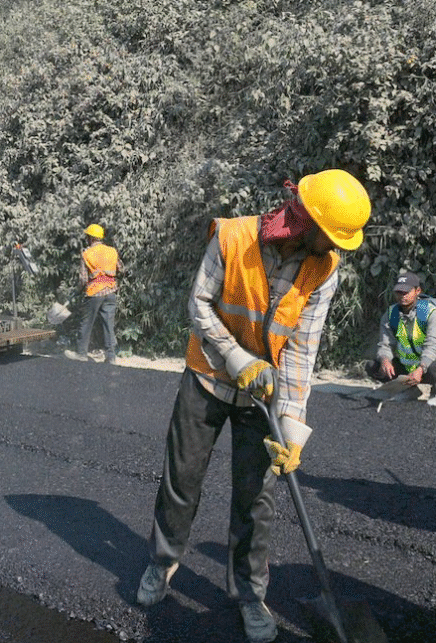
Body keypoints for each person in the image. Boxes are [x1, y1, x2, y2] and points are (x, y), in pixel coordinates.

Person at [135, 169, 370, 643]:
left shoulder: (323, 268)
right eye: (331, 235)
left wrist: (293, 424)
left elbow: (304, 348)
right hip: (207, 377)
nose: (336, 246)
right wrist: (238, 357)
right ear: (303, 218)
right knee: (181, 480)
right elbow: (199, 305)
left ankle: (249, 594)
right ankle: (162, 563)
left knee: (256, 500)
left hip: (264, 395)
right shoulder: (233, 236)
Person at [367, 271, 436, 404]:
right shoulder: (390, 314)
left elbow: (432, 346)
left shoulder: (430, 313)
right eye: (399, 292)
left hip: (428, 365)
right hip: (408, 366)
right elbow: (385, 344)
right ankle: (409, 389)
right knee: (373, 367)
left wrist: (421, 369)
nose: (402, 296)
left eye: (406, 292)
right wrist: (385, 360)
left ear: (417, 291)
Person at [65, 223, 120, 364]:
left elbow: (83, 279)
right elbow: (121, 268)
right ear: (101, 238)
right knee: (108, 325)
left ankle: (82, 354)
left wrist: (78, 290)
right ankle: (111, 356)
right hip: (111, 291)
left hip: (94, 293)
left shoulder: (87, 253)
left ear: (90, 238)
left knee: (87, 323)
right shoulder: (112, 251)